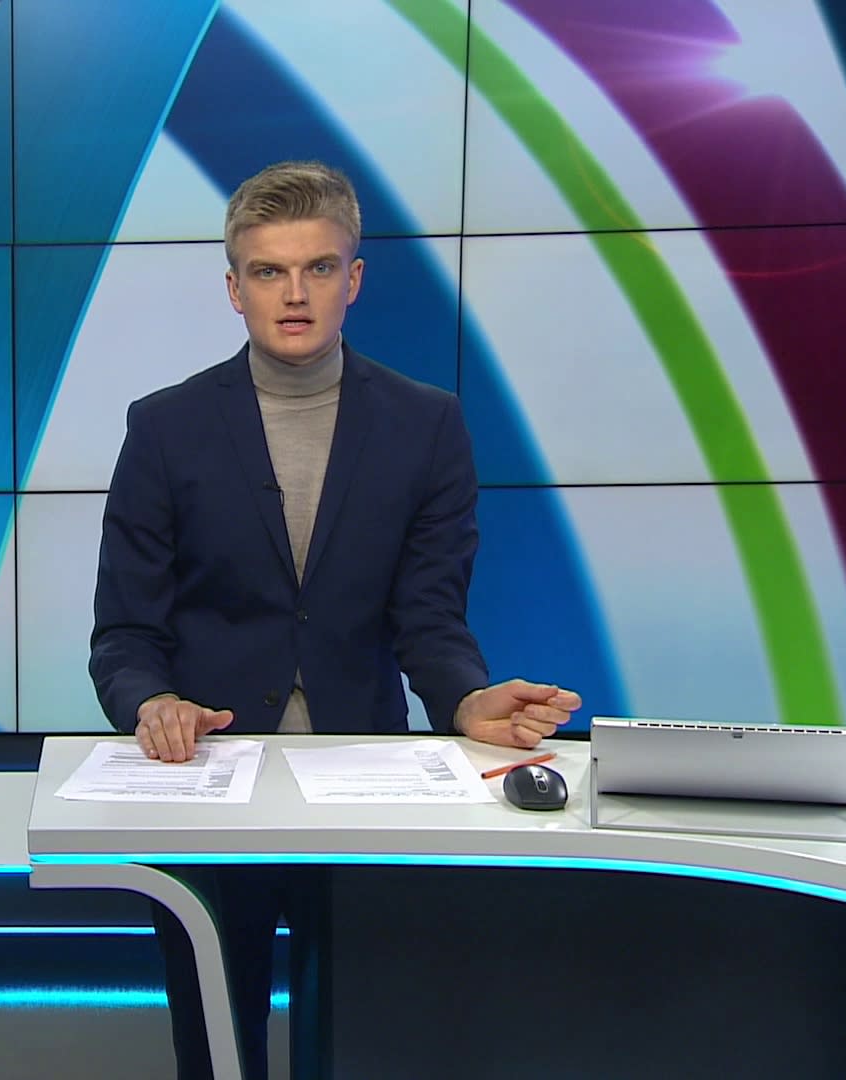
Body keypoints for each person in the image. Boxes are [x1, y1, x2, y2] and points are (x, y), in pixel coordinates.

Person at [88, 160, 582, 1077]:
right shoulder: (164, 428)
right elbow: (125, 632)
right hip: (211, 777)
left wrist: (464, 699)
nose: (295, 294)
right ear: (234, 289)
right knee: (217, 1048)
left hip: (363, 778)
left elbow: (428, 617)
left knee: (354, 1038)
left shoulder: (426, 425)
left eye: (318, 268)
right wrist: (152, 702)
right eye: (269, 272)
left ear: (353, 279)